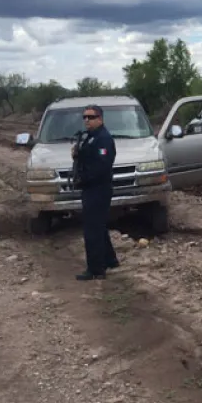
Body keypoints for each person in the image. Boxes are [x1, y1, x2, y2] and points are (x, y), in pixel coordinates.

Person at [72, 105, 119, 281]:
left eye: (91, 117)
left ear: (100, 118)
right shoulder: (90, 137)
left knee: (92, 229)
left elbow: (102, 166)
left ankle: (96, 269)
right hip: (91, 188)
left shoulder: (103, 138)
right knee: (98, 226)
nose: (87, 120)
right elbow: (88, 158)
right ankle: (109, 260)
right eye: (84, 117)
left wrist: (83, 178)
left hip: (98, 189)